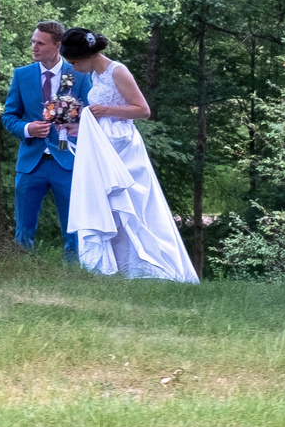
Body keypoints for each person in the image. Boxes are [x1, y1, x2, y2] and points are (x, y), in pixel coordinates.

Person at [60, 28, 200, 282]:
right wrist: (78, 126)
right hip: (103, 144)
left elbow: (142, 109)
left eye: (73, 61)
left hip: (123, 145)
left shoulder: (117, 71)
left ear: (86, 55)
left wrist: (105, 109)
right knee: (106, 204)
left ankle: (149, 266)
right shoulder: (94, 74)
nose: (72, 67)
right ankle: (114, 264)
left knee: (131, 203)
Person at [1, 20, 83, 257]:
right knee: (23, 228)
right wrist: (27, 128)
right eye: (32, 42)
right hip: (30, 162)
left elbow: (90, 113)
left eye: (40, 43)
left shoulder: (77, 74)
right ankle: (22, 269)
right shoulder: (22, 75)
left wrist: (75, 125)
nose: (33, 47)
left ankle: (75, 272)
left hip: (67, 161)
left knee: (73, 227)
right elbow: (9, 117)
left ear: (57, 45)